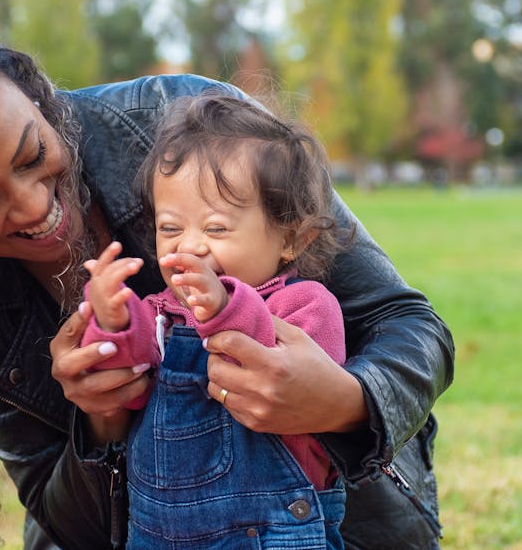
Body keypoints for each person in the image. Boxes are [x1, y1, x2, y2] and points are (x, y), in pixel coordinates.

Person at [0, 9, 453, 549]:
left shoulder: (196, 134)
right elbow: (70, 524)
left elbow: (411, 324)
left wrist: (342, 401)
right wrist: (100, 421)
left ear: (35, 95)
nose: (35, 206)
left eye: (34, 153)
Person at [80, 93, 351, 547]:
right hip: (155, 534)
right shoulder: (160, 313)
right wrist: (111, 320)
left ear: (292, 239)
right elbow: (128, 386)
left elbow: (289, 378)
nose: (190, 247)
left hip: (271, 531)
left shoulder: (306, 307)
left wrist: (226, 309)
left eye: (216, 229)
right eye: (170, 229)